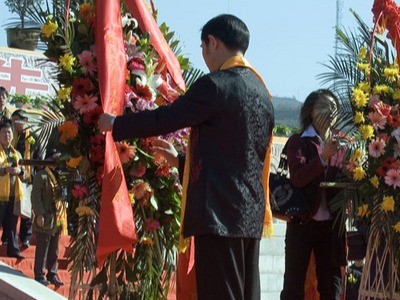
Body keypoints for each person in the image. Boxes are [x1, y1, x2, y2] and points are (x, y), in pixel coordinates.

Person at [98, 14, 274, 300]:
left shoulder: (216, 85)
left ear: (213, 43)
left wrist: (117, 124)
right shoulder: (263, 93)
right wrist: (181, 161)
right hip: (249, 216)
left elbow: (168, 117)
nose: (204, 56)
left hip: (219, 216)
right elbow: (236, 156)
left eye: (203, 48)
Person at [280, 89, 347, 300]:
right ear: (311, 111)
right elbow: (298, 177)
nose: (331, 112)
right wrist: (323, 158)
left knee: (331, 284)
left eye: (334, 108)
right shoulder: (298, 142)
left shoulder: (342, 146)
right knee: (293, 285)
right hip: (302, 223)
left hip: (331, 226)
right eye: (325, 106)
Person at [2, 109, 43, 247]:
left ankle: (25, 238)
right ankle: (7, 237)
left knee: (26, 210)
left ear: (24, 120)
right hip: (10, 179)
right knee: (10, 211)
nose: (14, 124)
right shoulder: (11, 136)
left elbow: (39, 159)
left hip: (27, 177)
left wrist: (38, 177)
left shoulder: (33, 137)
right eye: (12, 121)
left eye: (16, 121)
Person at [31, 148, 65, 287]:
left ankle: (52, 273)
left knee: (54, 249)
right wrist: (39, 213)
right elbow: (35, 197)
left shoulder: (59, 176)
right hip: (45, 215)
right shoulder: (42, 175)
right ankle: (39, 274)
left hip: (57, 216)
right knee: (42, 247)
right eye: (54, 159)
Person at [0, 120, 27, 259]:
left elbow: (26, 174)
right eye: (4, 132)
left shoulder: (16, 153)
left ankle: (13, 249)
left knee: (12, 224)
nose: (7, 135)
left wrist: (21, 172)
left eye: (9, 132)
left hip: (13, 194)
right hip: (0, 194)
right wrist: (6, 170)